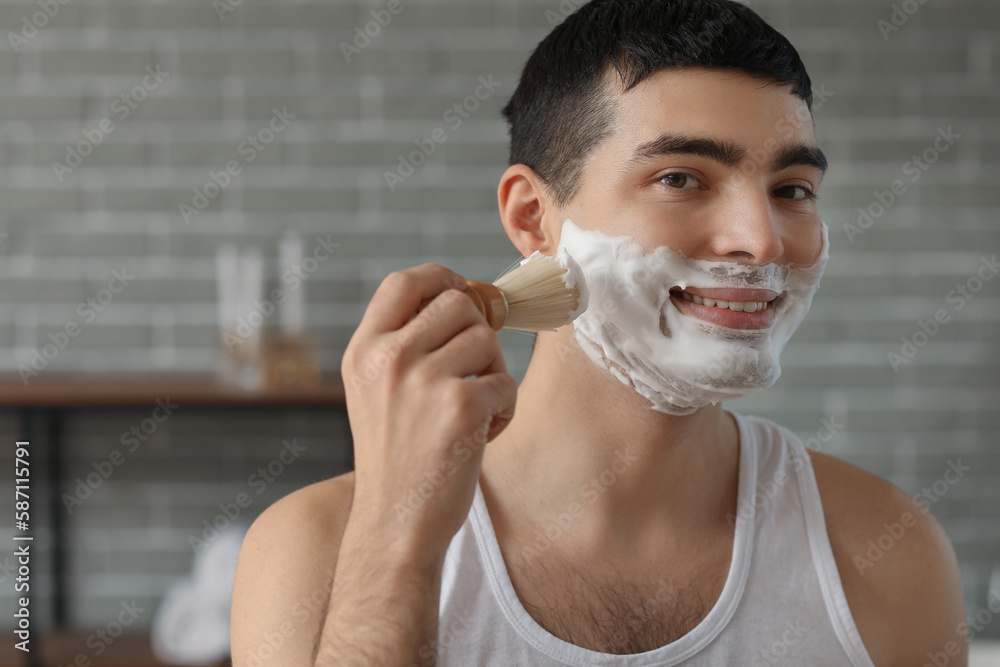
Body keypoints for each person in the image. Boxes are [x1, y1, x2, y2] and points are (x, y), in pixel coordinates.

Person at [231, 0, 968, 664]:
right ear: (532, 219)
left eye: (792, 190)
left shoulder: (885, 551)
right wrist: (398, 542)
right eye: (681, 177)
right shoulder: (314, 552)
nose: (763, 241)